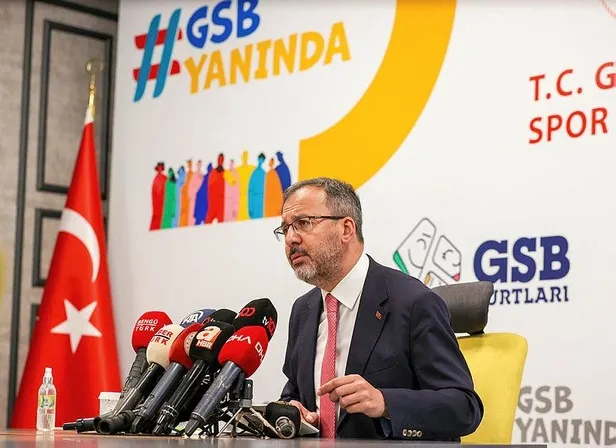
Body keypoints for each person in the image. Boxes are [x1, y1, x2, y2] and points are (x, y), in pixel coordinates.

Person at [275, 177, 483, 440]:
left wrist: (385, 402)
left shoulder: (413, 302)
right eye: (285, 229)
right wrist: (293, 410)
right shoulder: (303, 310)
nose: (291, 238)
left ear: (346, 229)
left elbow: (464, 408)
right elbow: (294, 393)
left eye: (303, 223)